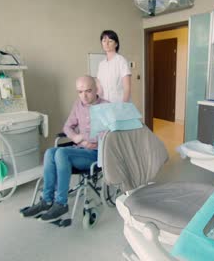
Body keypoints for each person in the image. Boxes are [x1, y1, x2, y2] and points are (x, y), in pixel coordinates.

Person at [21, 75, 108, 222]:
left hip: (96, 154)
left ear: (96, 89)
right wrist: (75, 137)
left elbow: (110, 133)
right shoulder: (78, 105)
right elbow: (67, 127)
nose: (84, 96)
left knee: (61, 153)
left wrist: (87, 140)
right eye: (80, 92)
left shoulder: (107, 106)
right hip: (78, 149)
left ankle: (61, 203)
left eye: (88, 91)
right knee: (50, 152)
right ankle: (47, 200)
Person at [96, 30, 132, 103]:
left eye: (110, 41)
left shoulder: (121, 61)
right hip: (105, 104)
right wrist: (96, 102)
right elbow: (99, 88)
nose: (106, 43)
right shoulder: (101, 64)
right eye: (104, 41)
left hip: (119, 103)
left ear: (116, 44)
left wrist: (123, 106)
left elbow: (127, 88)